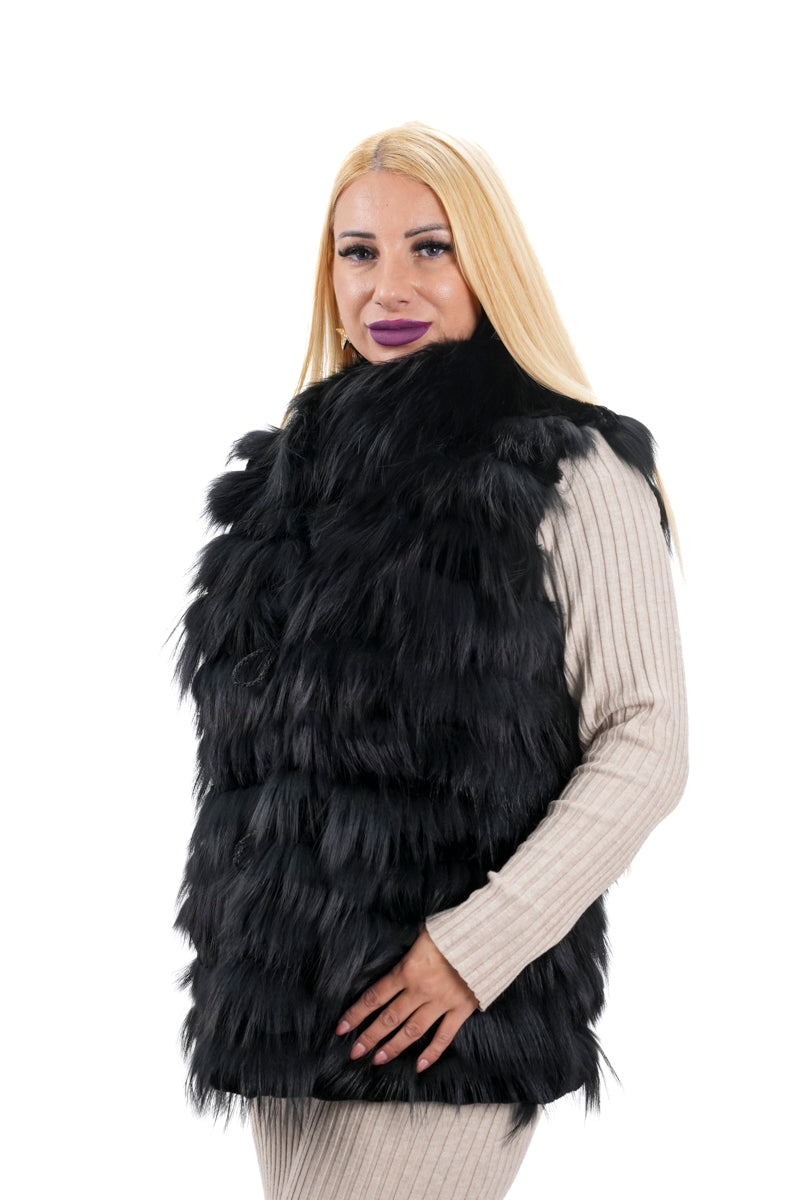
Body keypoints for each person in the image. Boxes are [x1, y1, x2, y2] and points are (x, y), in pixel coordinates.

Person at [172, 122, 689, 1200]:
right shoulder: (290, 482)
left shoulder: (567, 466)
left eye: (430, 248)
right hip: (286, 1009)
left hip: (442, 1018)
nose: (388, 286)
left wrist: (474, 947)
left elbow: (646, 741)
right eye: (358, 252)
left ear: (487, 264)